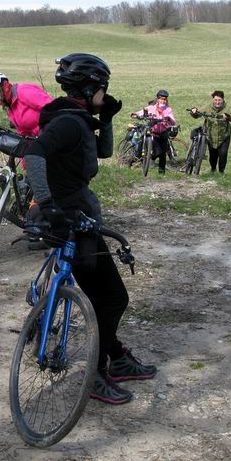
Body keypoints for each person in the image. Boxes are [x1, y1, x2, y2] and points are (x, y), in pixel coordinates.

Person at [24, 53, 157, 405]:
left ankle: (118, 357)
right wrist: (47, 202)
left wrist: (108, 119)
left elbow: (103, 152)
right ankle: (97, 375)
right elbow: (34, 154)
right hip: (71, 222)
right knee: (113, 298)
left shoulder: (77, 119)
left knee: (103, 296)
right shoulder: (68, 123)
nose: (106, 93)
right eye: (103, 88)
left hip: (77, 218)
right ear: (88, 88)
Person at [0, 70, 52, 137]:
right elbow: (23, 132)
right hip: (42, 140)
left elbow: (53, 107)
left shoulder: (23, 91)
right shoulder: (11, 108)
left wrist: (41, 131)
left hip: (52, 133)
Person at [190, 90, 231, 173]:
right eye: (215, 100)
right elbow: (198, 114)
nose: (217, 102)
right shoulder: (207, 107)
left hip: (224, 136)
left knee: (223, 154)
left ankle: (221, 172)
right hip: (210, 136)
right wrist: (194, 112)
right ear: (213, 99)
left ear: (223, 100)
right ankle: (213, 169)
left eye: (219, 100)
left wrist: (228, 117)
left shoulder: (228, 107)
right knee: (213, 155)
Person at [131, 89, 177, 174]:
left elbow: (173, 121)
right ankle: (145, 159)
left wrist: (169, 119)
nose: (163, 101)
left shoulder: (168, 109)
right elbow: (142, 112)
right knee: (157, 152)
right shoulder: (151, 107)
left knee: (163, 153)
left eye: (165, 99)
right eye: (161, 99)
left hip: (163, 132)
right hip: (154, 133)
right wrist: (135, 114)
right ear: (158, 99)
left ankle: (161, 172)